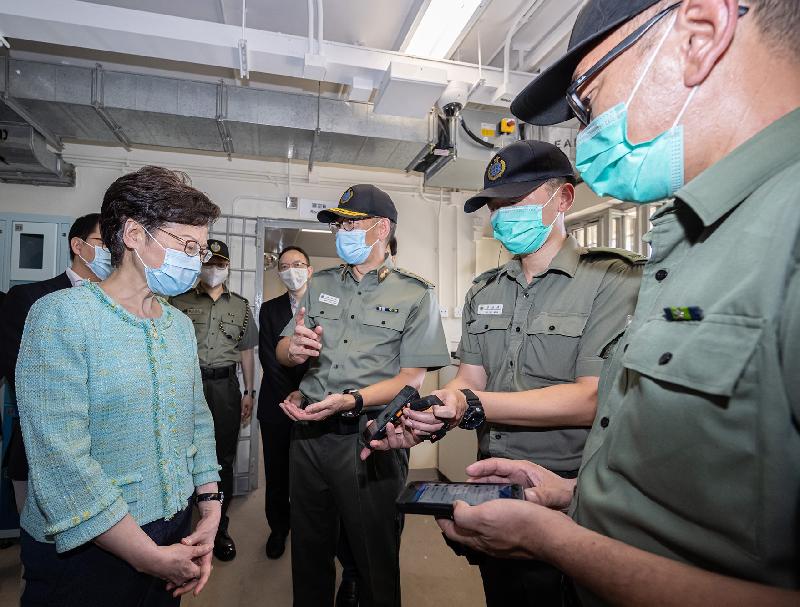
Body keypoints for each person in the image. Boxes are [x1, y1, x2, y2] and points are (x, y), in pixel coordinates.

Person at [433, 1, 800, 605]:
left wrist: (555, 541)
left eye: (589, 96)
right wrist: (572, 495)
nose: (588, 128)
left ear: (700, 34)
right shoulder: (697, 244)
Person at [367, 140, 644, 606]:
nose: (501, 215)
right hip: (492, 479)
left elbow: (591, 399)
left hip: (571, 488)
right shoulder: (485, 289)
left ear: (564, 199)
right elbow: (469, 378)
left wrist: (469, 404)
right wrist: (434, 411)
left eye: (515, 201)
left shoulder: (612, 281)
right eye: (495, 205)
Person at [15, 166, 222, 605]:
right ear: (132, 234)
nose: (194, 260)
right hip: (88, 548)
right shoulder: (61, 316)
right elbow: (61, 459)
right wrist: (146, 555)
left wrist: (209, 508)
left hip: (173, 528)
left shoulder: (179, 325)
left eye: (200, 250)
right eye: (185, 245)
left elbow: (197, 422)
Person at [276, 184, 451, 607]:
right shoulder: (320, 284)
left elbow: (412, 379)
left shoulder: (415, 293)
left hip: (371, 436)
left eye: (352, 224)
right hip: (309, 437)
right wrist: (292, 351)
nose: (342, 232)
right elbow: (285, 350)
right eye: (339, 224)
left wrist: (352, 400)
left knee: (374, 553)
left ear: (381, 229)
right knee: (309, 549)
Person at [0, 212, 109, 513]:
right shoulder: (30, 298)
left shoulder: (120, 305)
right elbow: (19, 371)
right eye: (103, 241)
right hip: (42, 450)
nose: (110, 251)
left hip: (108, 452)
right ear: (78, 245)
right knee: (41, 548)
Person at [170, 239, 257, 562]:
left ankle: (219, 528)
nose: (214, 269)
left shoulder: (241, 306)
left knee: (223, 458)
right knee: (179, 454)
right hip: (185, 385)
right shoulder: (177, 302)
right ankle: (181, 527)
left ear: (228, 268)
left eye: (220, 264)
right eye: (209, 263)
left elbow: (247, 352)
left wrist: (249, 391)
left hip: (225, 388)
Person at [257, 245, 312, 559]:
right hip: (276, 403)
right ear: (279, 273)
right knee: (277, 473)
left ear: (310, 269)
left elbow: (328, 358)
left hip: (317, 403)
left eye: (298, 264)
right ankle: (279, 528)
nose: (292, 269)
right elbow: (269, 356)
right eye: (285, 265)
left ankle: (310, 529)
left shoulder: (328, 305)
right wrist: (289, 395)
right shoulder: (269, 308)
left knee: (311, 473)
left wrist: (305, 393)